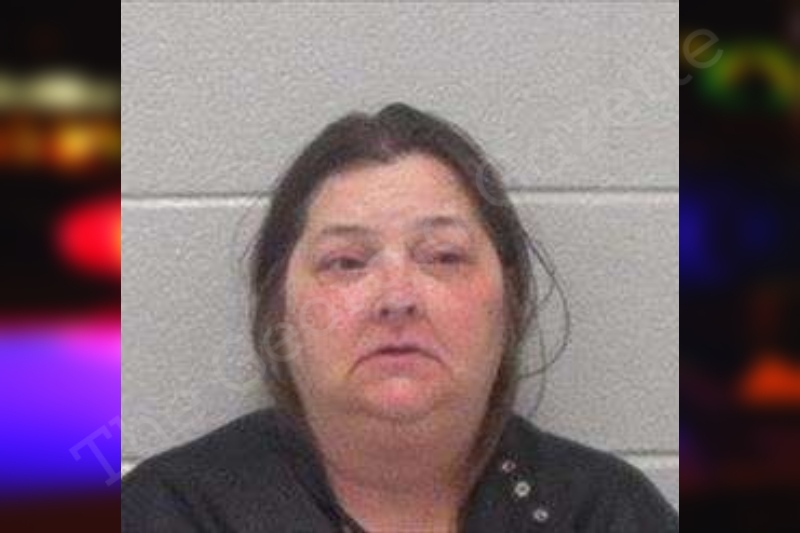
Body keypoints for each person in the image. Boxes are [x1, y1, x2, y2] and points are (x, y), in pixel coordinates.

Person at [122, 103, 678, 532]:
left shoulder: (608, 514)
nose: (397, 297)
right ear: (278, 314)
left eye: (444, 257)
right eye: (346, 262)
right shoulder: (171, 513)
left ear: (509, 301)